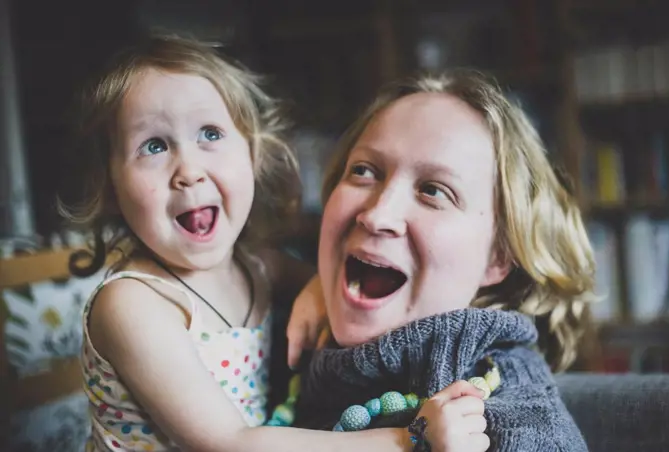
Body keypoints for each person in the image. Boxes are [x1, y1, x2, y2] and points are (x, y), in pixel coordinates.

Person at [60, 33, 473, 452]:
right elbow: (228, 442)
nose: (189, 170)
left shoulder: (257, 265)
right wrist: (407, 439)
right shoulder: (132, 304)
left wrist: (316, 291)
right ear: (112, 187)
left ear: (253, 154)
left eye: (210, 134)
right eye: (153, 145)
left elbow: (328, 281)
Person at [284, 69, 595, 451]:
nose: (377, 215)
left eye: (434, 190)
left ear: (498, 257)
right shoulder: (299, 340)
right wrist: (312, 283)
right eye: (364, 171)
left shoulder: (511, 418)